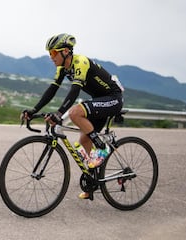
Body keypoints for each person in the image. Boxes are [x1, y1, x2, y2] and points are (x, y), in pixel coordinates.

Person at [22, 33, 124, 199]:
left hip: (113, 99)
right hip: (98, 102)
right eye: (50, 54)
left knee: (75, 112)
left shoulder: (80, 62)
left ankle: (102, 149)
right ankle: (93, 183)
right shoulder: (62, 69)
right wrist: (34, 110)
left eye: (54, 53)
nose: (51, 57)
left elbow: (75, 90)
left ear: (66, 52)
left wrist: (59, 114)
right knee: (83, 141)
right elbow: (52, 90)